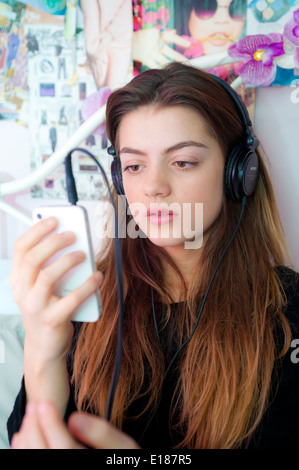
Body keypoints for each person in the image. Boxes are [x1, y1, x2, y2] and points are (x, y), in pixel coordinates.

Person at [7, 62, 299, 449]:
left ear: (239, 173)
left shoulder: (288, 311)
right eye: (133, 165)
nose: (153, 187)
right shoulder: (83, 298)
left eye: (183, 162)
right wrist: (43, 351)